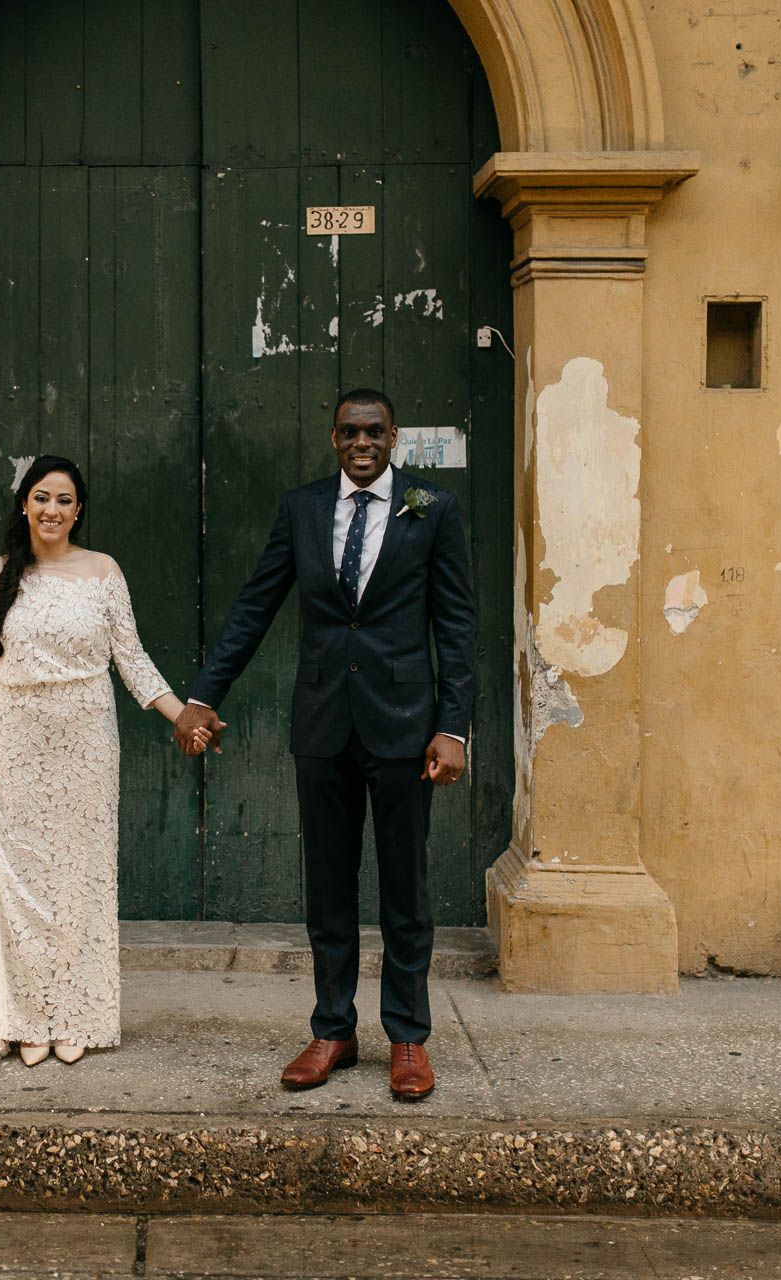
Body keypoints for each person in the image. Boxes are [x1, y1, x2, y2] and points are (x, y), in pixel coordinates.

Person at [173, 389, 476, 1101]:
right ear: (333, 438)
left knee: (405, 890)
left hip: (405, 727)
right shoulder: (302, 509)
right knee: (329, 891)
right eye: (349, 432)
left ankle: (408, 1039)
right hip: (322, 725)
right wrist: (202, 694)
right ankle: (332, 1030)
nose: (361, 442)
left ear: (393, 436)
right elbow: (256, 604)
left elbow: (457, 629)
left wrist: (453, 726)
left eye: (374, 431)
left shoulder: (433, 509)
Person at [0, 455, 207, 1072]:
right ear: (24, 504)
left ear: (78, 510)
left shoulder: (102, 571)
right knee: (26, 883)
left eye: (64, 500)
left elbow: (133, 659)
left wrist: (182, 715)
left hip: (88, 738)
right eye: (41, 498)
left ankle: (74, 1013)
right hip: (18, 739)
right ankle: (29, 1015)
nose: (51, 511)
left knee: (79, 880)